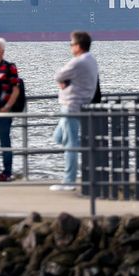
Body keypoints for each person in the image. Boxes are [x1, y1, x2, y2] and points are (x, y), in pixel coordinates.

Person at [51, 30, 99, 191]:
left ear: (78, 46)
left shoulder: (78, 62)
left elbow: (58, 75)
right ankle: (87, 149)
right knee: (58, 137)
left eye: (71, 44)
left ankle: (69, 181)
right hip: (79, 104)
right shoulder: (91, 60)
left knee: (70, 145)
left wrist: (63, 81)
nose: (70, 47)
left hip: (71, 106)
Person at [0, 37, 23, 181]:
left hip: (3, 113)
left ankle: (7, 172)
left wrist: (8, 106)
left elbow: (16, 90)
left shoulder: (10, 67)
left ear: (2, 51)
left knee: (5, 143)